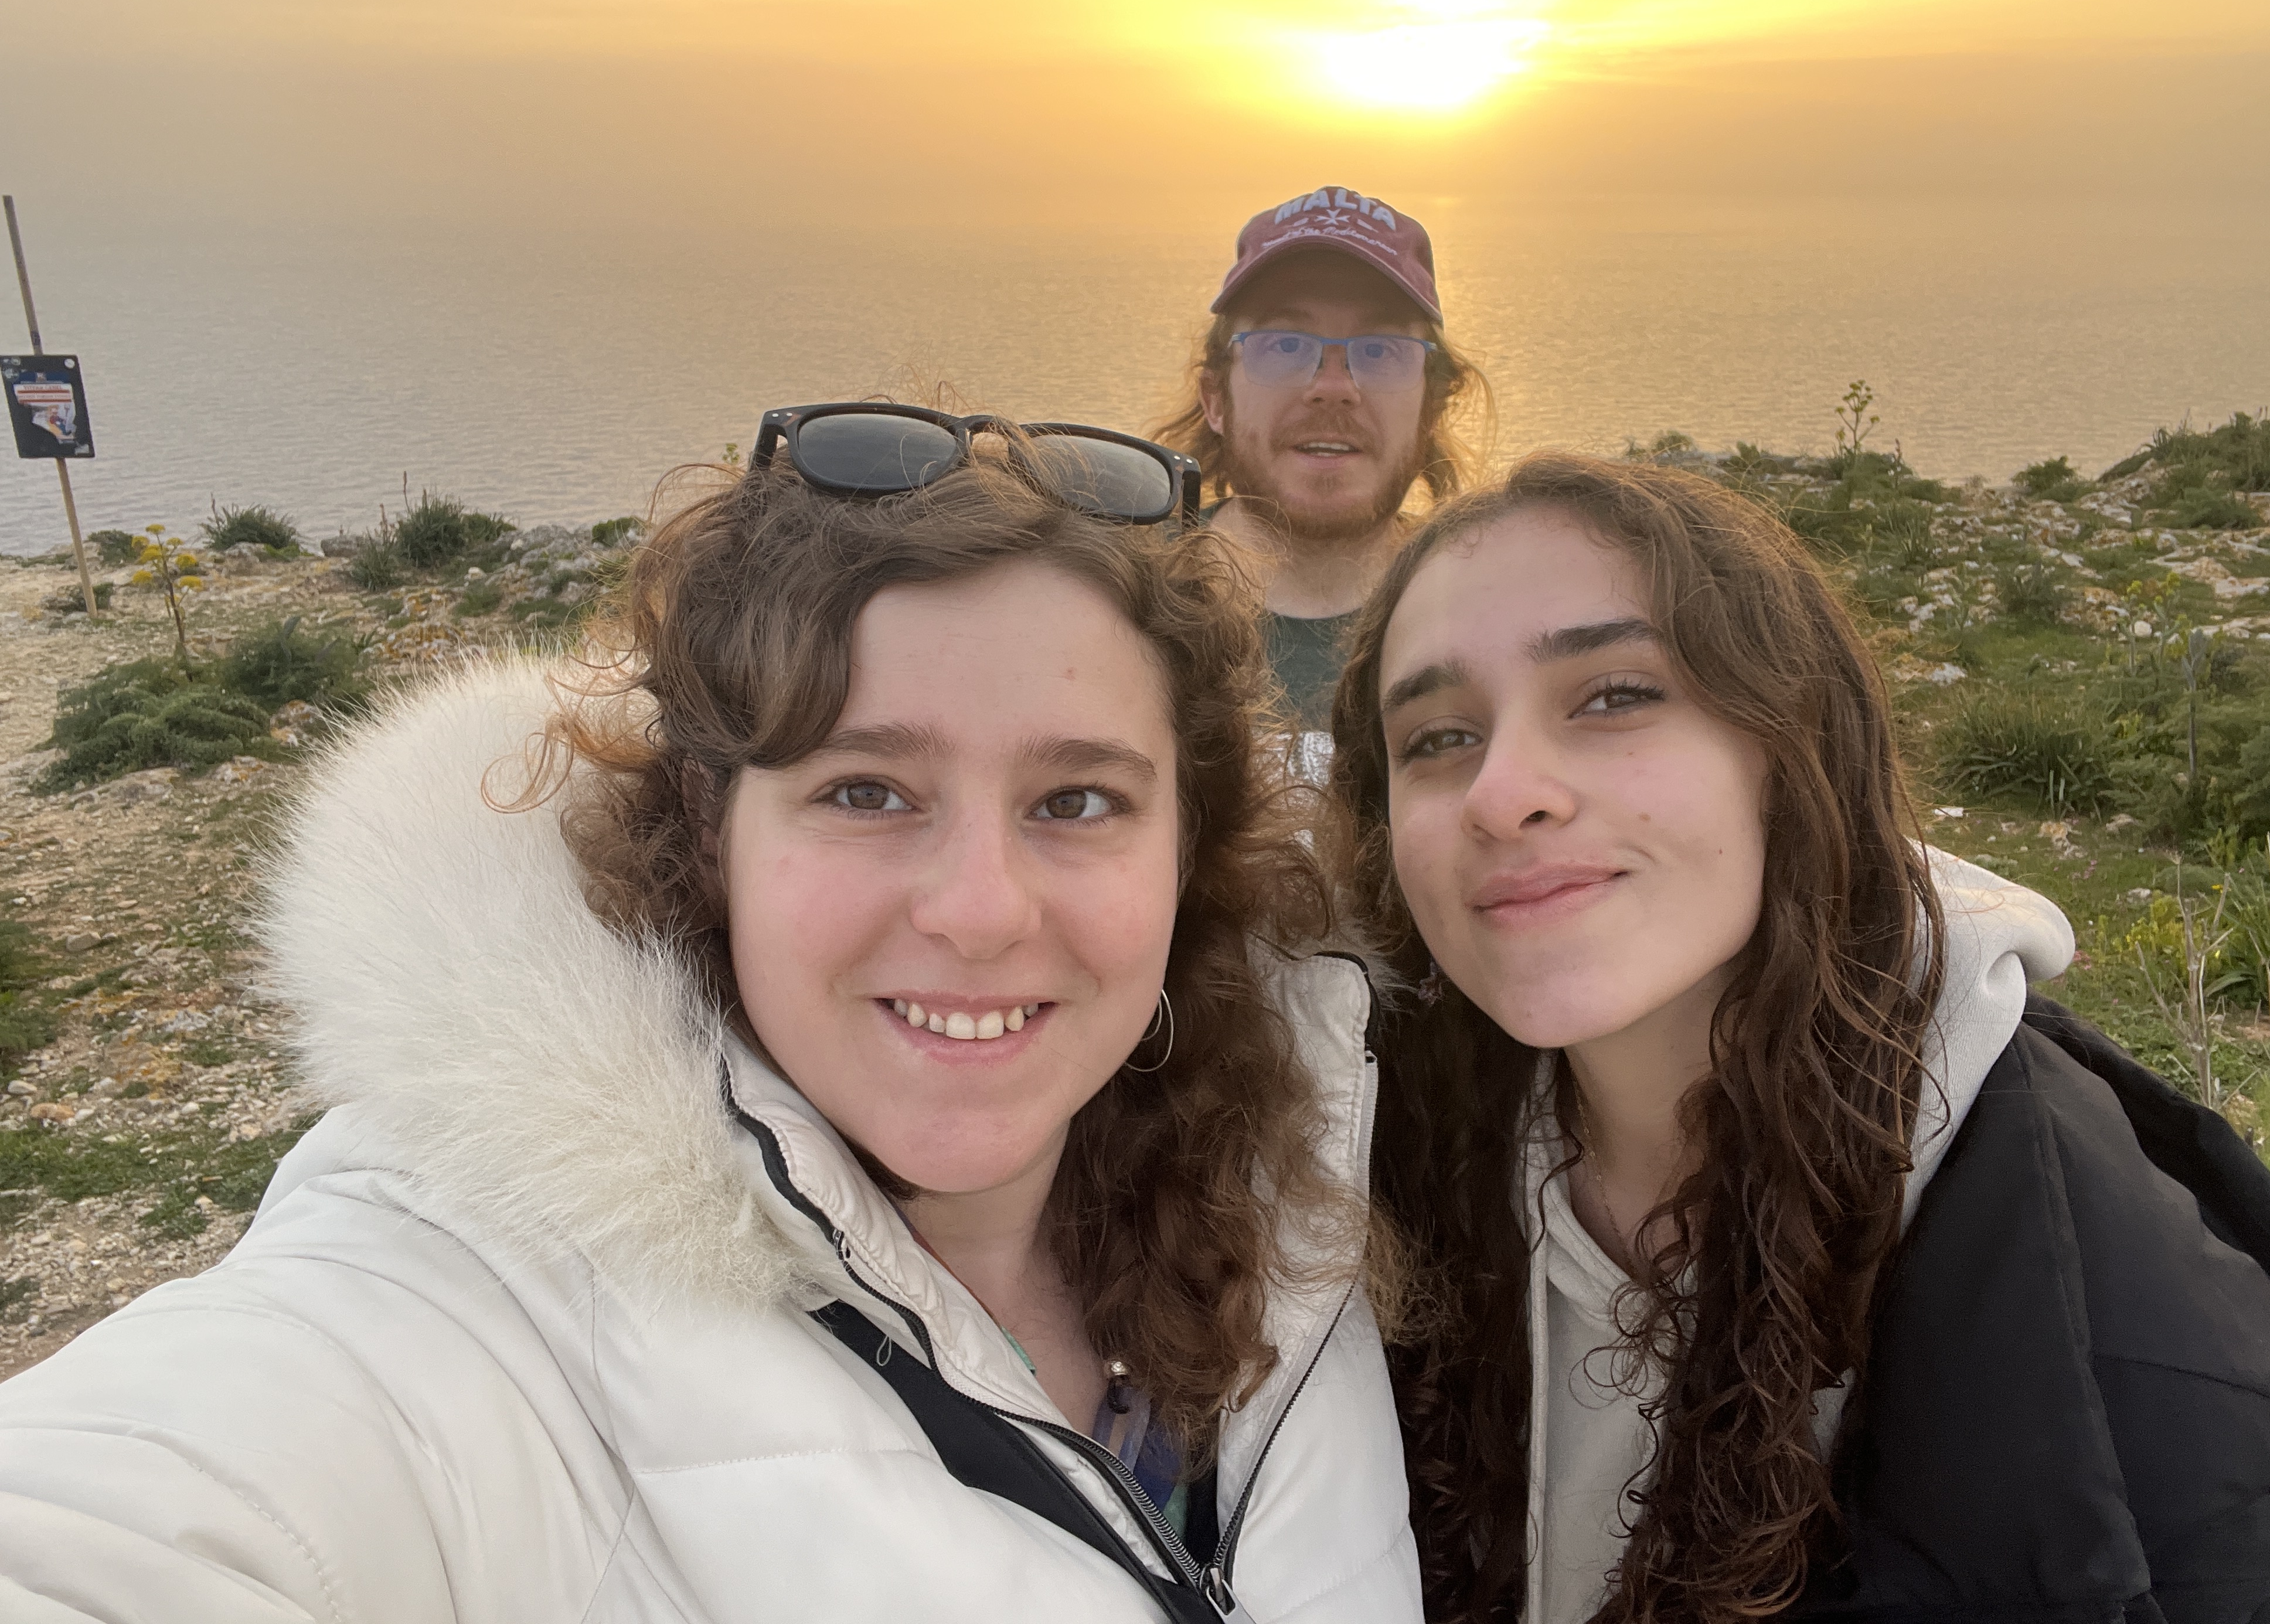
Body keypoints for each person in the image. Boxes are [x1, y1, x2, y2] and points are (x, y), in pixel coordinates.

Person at [0, 411, 1418, 1622]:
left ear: (1186, 852)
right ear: (707, 832)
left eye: (1079, 800)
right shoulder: (470, 1271)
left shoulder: (1280, 1190)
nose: (982, 910)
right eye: (866, 790)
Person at [1324, 451, 2270, 1624]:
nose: (1500, 791)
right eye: (1436, 738)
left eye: (1613, 696)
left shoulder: (2118, 1333)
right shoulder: (1375, 1168)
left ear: (1791, 748)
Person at [1150, 185, 1492, 732]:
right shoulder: (1125, 597)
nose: (1333, 388)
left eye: (1379, 351)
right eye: (1285, 346)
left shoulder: (1497, 613)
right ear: (1216, 399)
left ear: (1431, 408)